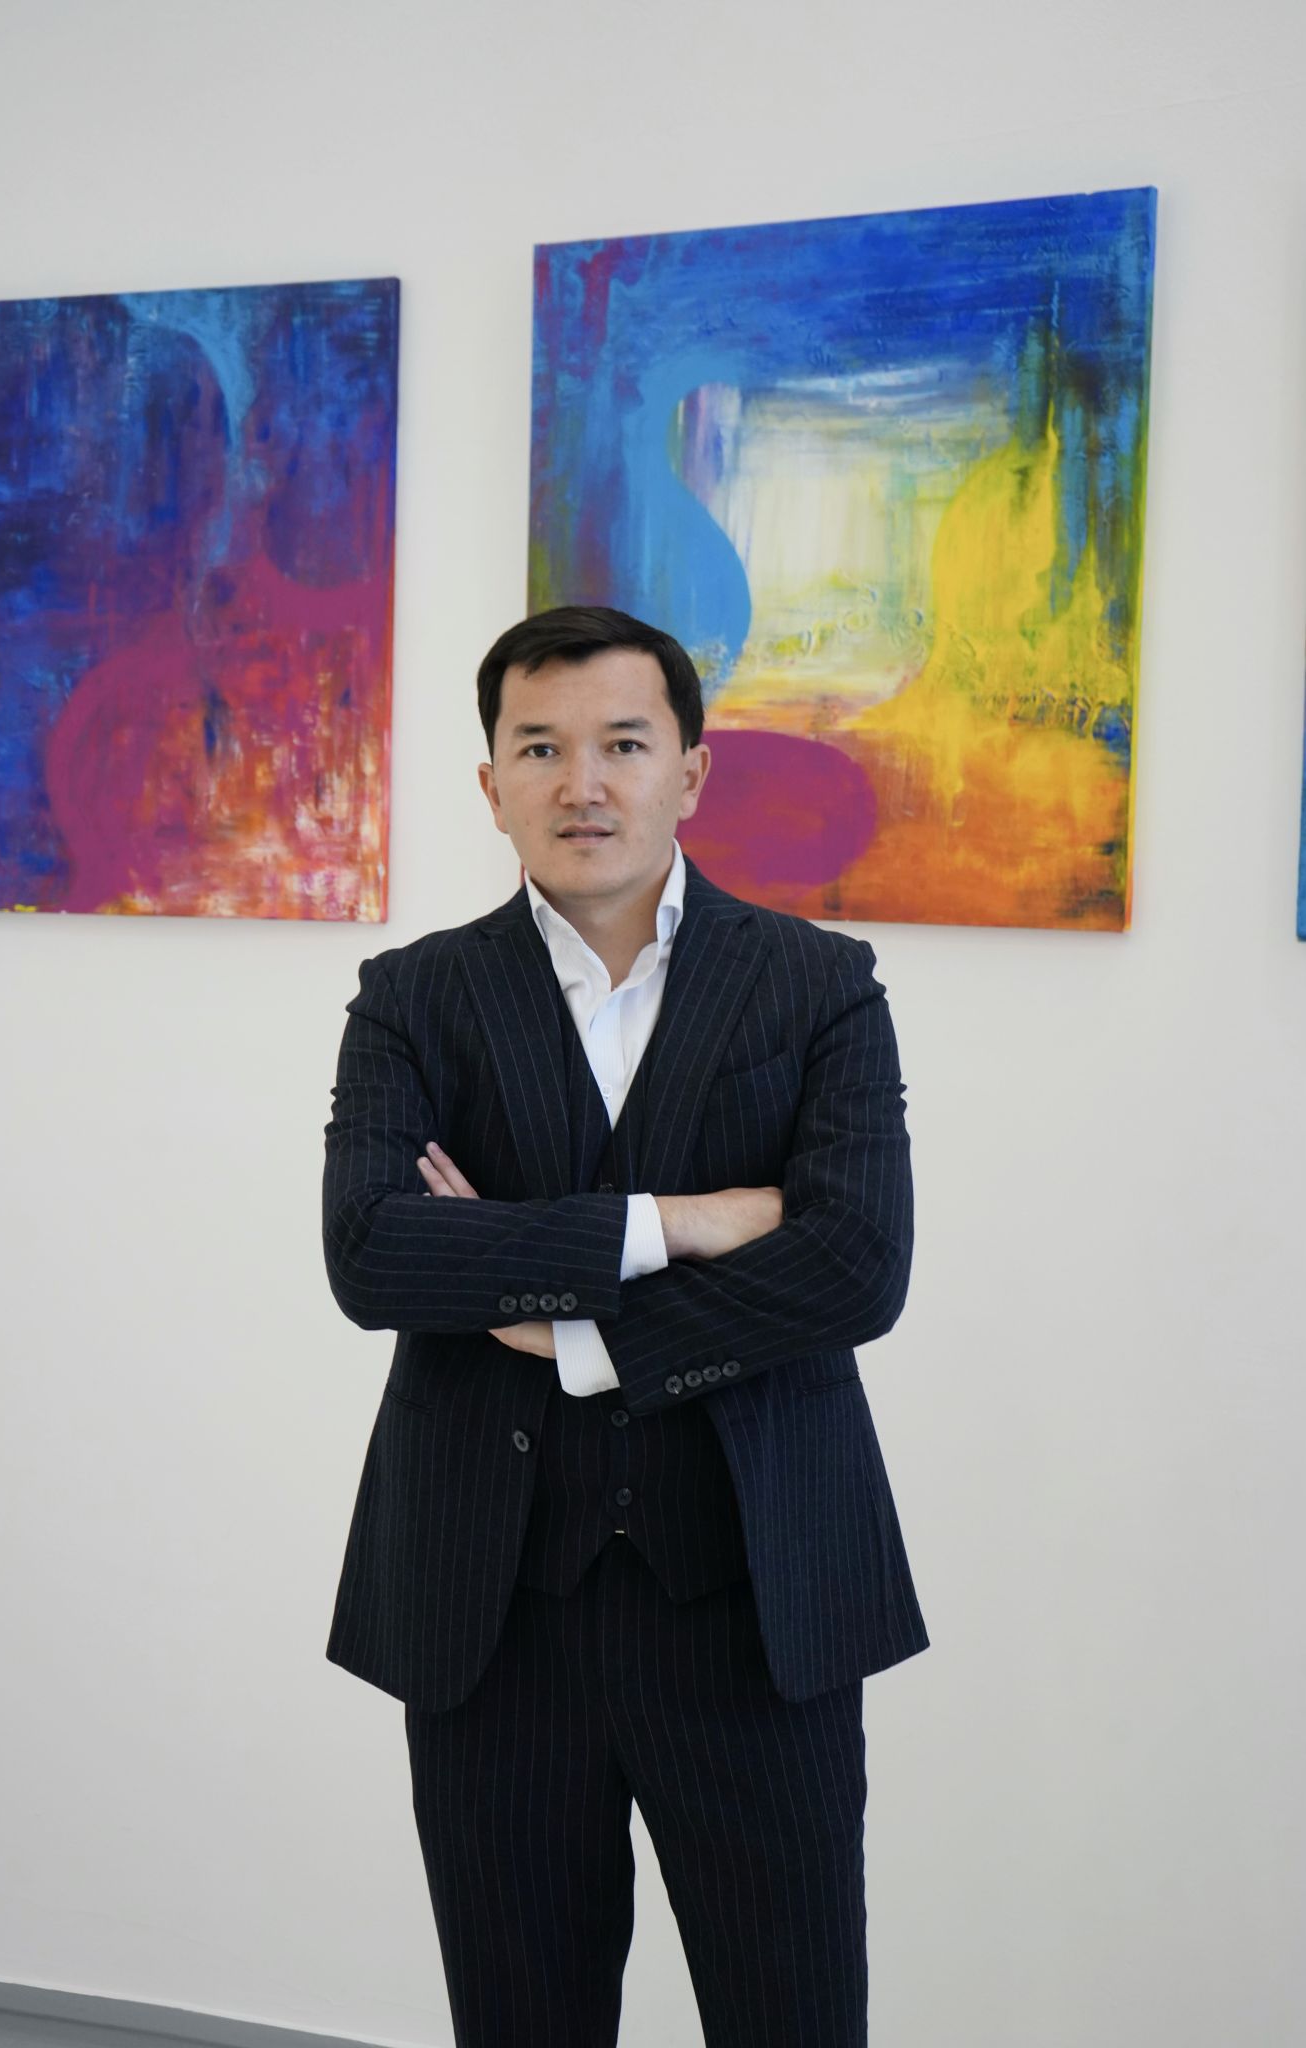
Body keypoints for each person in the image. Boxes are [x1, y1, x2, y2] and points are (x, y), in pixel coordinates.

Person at [322, 604, 928, 2047]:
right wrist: (685, 1221)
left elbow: (855, 1267)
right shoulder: (411, 1000)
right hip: (491, 1612)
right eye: (539, 748)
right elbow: (376, 1255)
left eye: (622, 745)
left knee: (792, 2018)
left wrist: (572, 1330)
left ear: (689, 773)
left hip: (755, 1601)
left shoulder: (819, 987)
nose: (580, 784)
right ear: (491, 785)